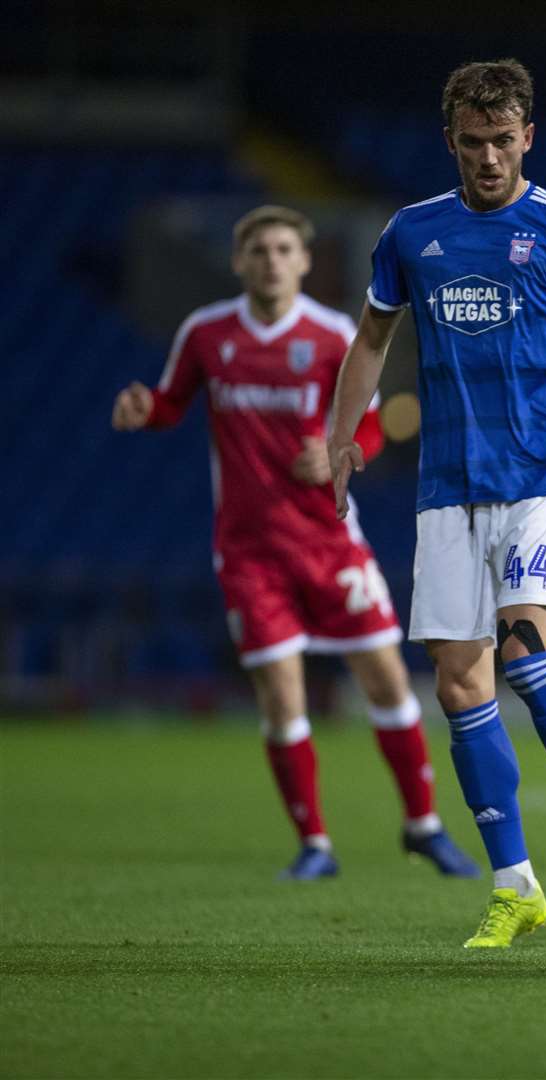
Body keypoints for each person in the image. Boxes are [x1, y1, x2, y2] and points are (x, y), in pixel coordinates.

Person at [324, 59, 546, 949]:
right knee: (459, 682)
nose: (490, 158)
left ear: (528, 137)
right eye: (474, 143)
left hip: (542, 475)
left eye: (505, 141)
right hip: (446, 488)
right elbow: (369, 343)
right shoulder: (412, 232)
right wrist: (343, 435)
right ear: (451, 140)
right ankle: (516, 888)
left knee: (525, 653)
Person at [110, 204, 477, 882]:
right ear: (239, 260)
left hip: (331, 542)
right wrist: (146, 412)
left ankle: (422, 825)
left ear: (305, 262)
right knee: (282, 698)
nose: (273, 260)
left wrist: (339, 454)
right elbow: (169, 403)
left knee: (389, 680)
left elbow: (369, 430)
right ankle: (314, 844)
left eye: (285, 249)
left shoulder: (335, 334)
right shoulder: (206, 333)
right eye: (260, 250)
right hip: (251, 552)